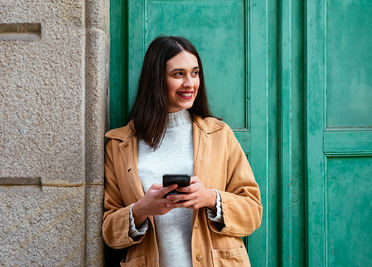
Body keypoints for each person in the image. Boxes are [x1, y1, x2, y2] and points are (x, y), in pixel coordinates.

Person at [102, 36, 262, 267]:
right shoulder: (119, 145)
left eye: (194, 73)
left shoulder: (219, 135)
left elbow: (252, 212)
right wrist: (142, 209)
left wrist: (209, 198)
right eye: (178, 74)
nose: (190, 83)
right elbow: (109, 231)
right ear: (156, 79)